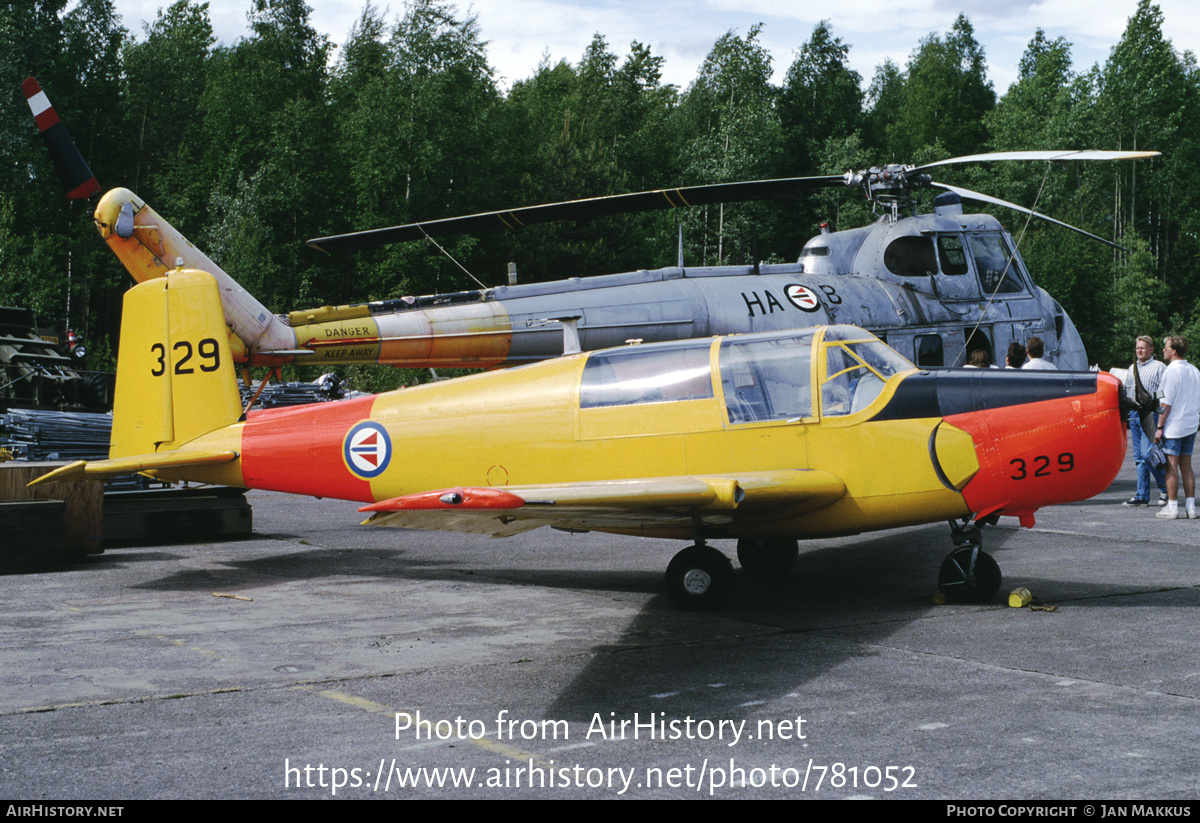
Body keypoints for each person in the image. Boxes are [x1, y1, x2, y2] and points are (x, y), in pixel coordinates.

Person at [1155, 335, 1200, 520]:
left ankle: (1172, 507)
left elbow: (1165, 403)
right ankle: (1191, 507)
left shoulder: (1170, 371)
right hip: (1190, 424)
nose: (1163, 349)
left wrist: (1159, 426)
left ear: (1173, 351)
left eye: (1165, 347)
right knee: (1187, 466)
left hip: (1174, 426)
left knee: (1171, 467)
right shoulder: (1195, 370)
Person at [1123, 335, 1168, 507]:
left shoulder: (1159, 367)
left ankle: (1164, 488)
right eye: (1137, 348)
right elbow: (1128, 390)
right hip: (1135, 414)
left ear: (1151, 349)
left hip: (1150, 414)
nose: (1139, 351)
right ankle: (1142, 495)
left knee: (1148, 453)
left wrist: (1153, 403)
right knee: (1139, 458)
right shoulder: (1131, 368)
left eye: (1143, 347)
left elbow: (1165, 392)